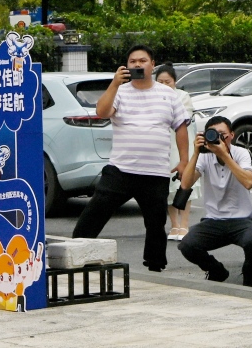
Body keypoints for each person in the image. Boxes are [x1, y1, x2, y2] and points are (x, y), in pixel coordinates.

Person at [72, 44, 190, 272]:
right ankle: (76, 251)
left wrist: (184, 161)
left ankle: (155, 266)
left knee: (156, 223)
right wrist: (115, 83)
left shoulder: (169, 94)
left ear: (152, 65)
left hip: (155, 171)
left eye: (142, 61)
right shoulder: (119, 91)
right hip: (121, 169)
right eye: (133, 61)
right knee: (95, 212)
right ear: (126, 66)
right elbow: (102, 112)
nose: (137, 65)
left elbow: (181, 128)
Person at [178, 116, 252, 286]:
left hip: (243, 219)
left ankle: (249, 270)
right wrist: (195, 152)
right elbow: (186, 184)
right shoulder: (204, 156)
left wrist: (225, 156)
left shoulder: (241, 153)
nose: (219, 139)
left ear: (232, 135)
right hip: (214, 220)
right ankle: (216, 269)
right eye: (214, 134)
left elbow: (248, 182)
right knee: (187, 245)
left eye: (223, 135)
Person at [153, 63, 198, 241]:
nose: (164, 85)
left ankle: (185, 224)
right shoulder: (151, 96)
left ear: (175, 82)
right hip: (162, 145)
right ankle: (174, 225)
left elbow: (184, 119)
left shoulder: (183, 96)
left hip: (182, 144)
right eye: (160, 81)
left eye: (168, 82)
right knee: (167, 186)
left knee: (185, 183)